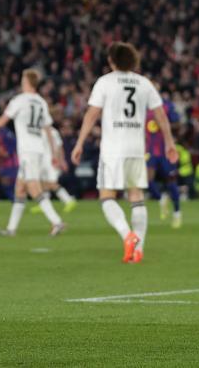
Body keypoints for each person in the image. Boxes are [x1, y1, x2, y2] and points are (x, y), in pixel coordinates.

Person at [71, 42, 178, 263]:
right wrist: (169, 143)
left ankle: (127, 235)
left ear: (111, 61)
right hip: (136, 148)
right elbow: (160, 115)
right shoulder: (144, 83)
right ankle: (139, 249)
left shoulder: (105, 82)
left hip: (113, 149)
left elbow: (91, 115)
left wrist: (79, 142)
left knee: (107, 197)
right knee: (136, 196)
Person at [0, 69, 66, 236]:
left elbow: (2, 121)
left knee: (33, 187)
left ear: (27, 82)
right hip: (38, 149)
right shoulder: (41, 102)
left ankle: (57, 221)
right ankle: (11, 229)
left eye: (23, 79)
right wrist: (53, 154)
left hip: (27, 150)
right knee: (20, 189)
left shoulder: (20, 100)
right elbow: (48, 129)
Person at [145, 86, 182, 228]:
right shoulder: (143, 106)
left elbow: (177, 124)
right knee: (147, 180)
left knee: (171, 181)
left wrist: (164, 123)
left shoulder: (166, 106)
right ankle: (161, 199)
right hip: (150, 150)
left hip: (165, 149)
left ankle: (177, 213)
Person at [30, 125, 77, 214]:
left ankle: (68, 200)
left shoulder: (53, 132)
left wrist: (61, 160)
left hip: (51, 160)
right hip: (41, 160)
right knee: (42, 183)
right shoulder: (37, 130)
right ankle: (44, 205)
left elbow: (59, 147)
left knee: (51, 183)